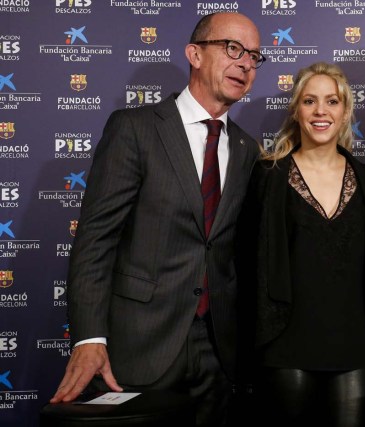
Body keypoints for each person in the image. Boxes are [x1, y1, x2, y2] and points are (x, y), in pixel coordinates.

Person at [49, 12, 265, 426]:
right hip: (140, 344)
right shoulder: (135, 128)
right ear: (195, 54)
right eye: (233, 49)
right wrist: (90, 338)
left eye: (254, 56)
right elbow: (95, 241)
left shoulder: (246, 148)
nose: (245, 63)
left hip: (219, 353)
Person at [236, 62, 365, 427]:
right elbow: (245, 262)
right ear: (296, 110)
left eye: (332, 101)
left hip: (356, 345)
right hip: (285, 346)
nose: (321, 111)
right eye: (310, 101)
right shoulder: (268, 176)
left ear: (346, 110)